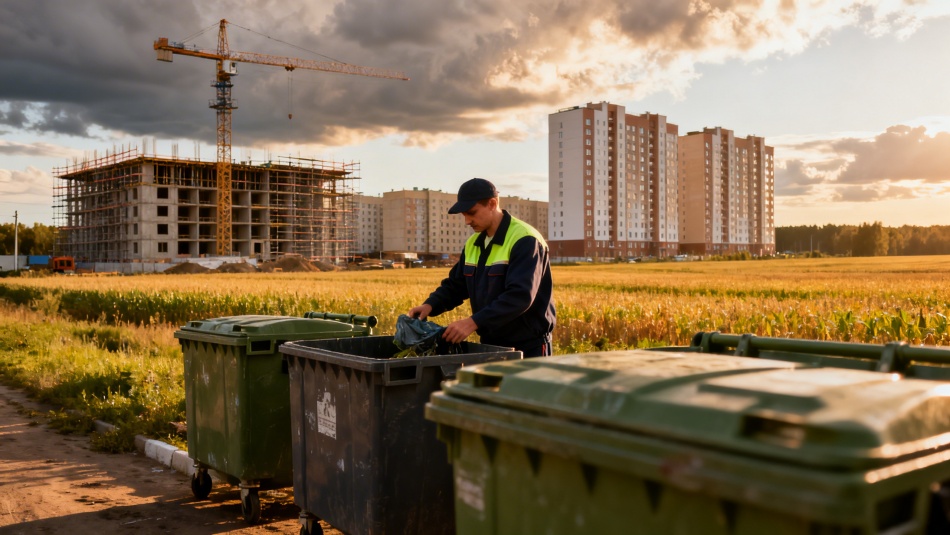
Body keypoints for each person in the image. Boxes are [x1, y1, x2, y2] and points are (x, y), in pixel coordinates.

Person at [408, 178, 556, 357]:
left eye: (472, 213)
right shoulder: (473, 243)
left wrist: (472, 322)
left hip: (528, 347)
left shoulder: (525, 239)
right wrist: (431, 305)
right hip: (490, 345)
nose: (467, 221)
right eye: (464, 215)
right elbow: (456, 285)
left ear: (492, 204)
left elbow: (520, 296)